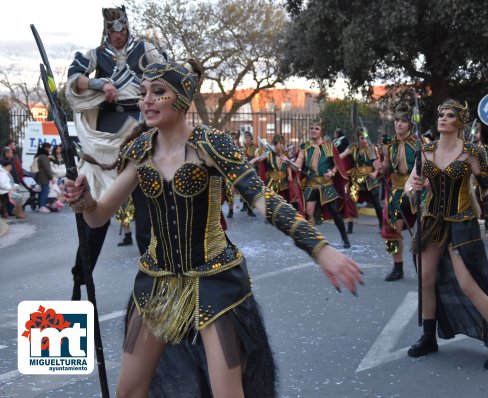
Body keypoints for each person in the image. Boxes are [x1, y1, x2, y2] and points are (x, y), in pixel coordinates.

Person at [64, 58, 363, 397]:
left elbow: (263, 200)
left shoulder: (211, 145)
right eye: (144, 92)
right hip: (158, 283)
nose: (146, 100)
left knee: (228, 393)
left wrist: (319, 249)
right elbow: (98, 216)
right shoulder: (140, 150)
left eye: (158, 92)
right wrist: (85, 200)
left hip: (214, 281)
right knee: (128, 391)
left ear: (182, 99)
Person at [404, 99, 488, 370]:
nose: (442, 119)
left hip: (461, 222)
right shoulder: (425, 151)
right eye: (440, 115)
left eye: (449, 115)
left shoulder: (472, 152)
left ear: (459, 122)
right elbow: (412, 184)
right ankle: (428, 337)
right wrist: (415, 188)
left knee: (468, 284)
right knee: (426, 279)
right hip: (432, 220)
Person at [65, 6, 164, 299]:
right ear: (107, 31)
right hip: (105, 135)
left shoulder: (145, 49)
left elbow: (165, 75)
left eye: (121, 30)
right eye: (112, 32)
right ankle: (80, 280)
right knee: (94, 212)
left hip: (140, 129)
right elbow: (73, 80)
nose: (118, 36)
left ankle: (155, 280)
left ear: (127, 28)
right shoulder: (95, 54)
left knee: (147, 212)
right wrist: (98, 83)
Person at [373, 102, 417, 281]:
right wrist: (379, 168)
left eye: (403, 121)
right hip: (396, 191)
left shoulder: (419, 143)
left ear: (410, 125)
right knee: (392, 231)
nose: (399, 124)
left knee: (425, 232)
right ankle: (397, 267)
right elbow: (386, 168)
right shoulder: (389, 145)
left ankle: (426, 267)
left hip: (417, 191)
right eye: (397, 121)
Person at [293, 118, 353, 248]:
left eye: (317, 128)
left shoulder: (328, 146)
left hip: (326, 184)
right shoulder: (305, 147)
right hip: (311, 184)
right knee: (308, 212)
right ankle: (314, 239)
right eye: (312, 128)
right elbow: (298, 164)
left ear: (321, 131)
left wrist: (332, 172)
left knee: (335, 212)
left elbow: (337, 163)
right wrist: (289, 162)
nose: (314, 131)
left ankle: (344, 237)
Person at [339, 128, 383, 232]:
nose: (364, 140)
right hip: (356, 178)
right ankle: (350, 227)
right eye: (362, 138)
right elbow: (342, 156)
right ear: (358, 138)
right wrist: (334, 159)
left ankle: (382, 225)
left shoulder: (373, 148)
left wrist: (375, 173)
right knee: (351, 200)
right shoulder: (353, 148)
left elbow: (378, 163)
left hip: (370, 177)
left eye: (365, 138)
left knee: (376, 202)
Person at [254, 134, 304, 214]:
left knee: (285, 197)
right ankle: (271, 213)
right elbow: (259, 160)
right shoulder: (269, 154)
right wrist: (260, 158)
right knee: (271, 198)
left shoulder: (285, 154)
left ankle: (284, 213)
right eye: (280, 144)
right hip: (272, 180)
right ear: (275, 144)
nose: (282, 146)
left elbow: (288, 165)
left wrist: (290, 175)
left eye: (283, 144)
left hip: (283, 180)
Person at [34, 143, 53, 213]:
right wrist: (51, 177)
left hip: (39, 176)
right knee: (45, 191)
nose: (50, 149)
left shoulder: (39, 155)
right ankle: (42, 206)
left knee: (41, 192)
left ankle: (40, 206)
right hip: (43, 177)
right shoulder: (44, 157)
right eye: (49, 148)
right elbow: (47, 169)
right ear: (46, 148)